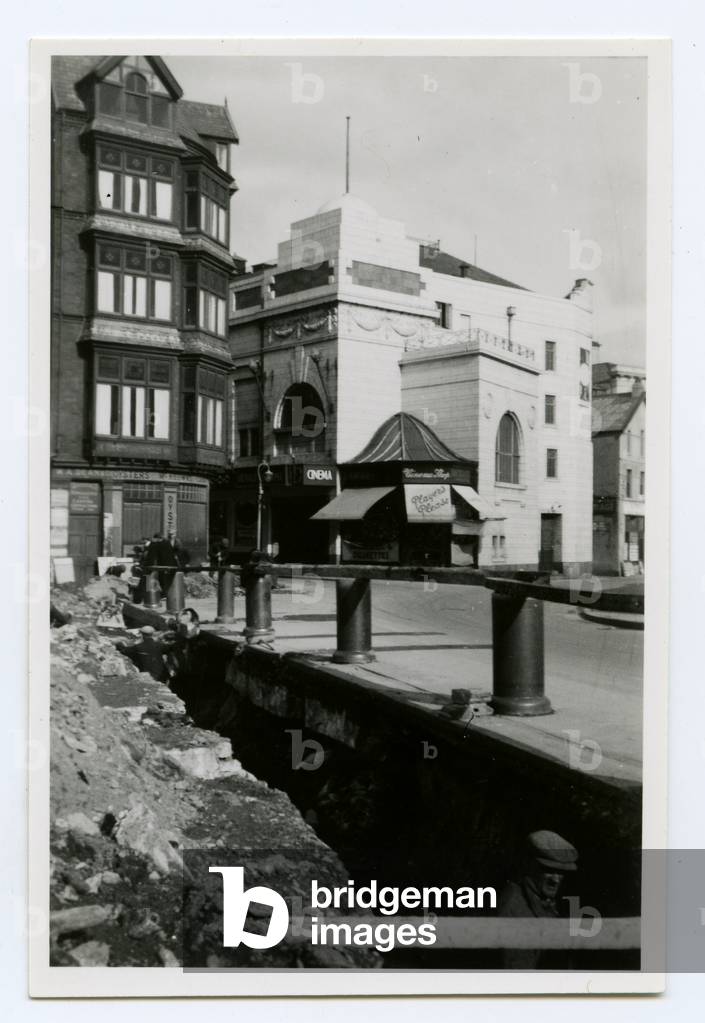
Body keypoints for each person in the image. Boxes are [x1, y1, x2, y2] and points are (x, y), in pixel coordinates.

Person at [497, 830, 579, 969]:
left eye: (561, 872)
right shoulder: (514, 910)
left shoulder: (544, 900)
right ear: (529, 865)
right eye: (548, 870)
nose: (555, 879)